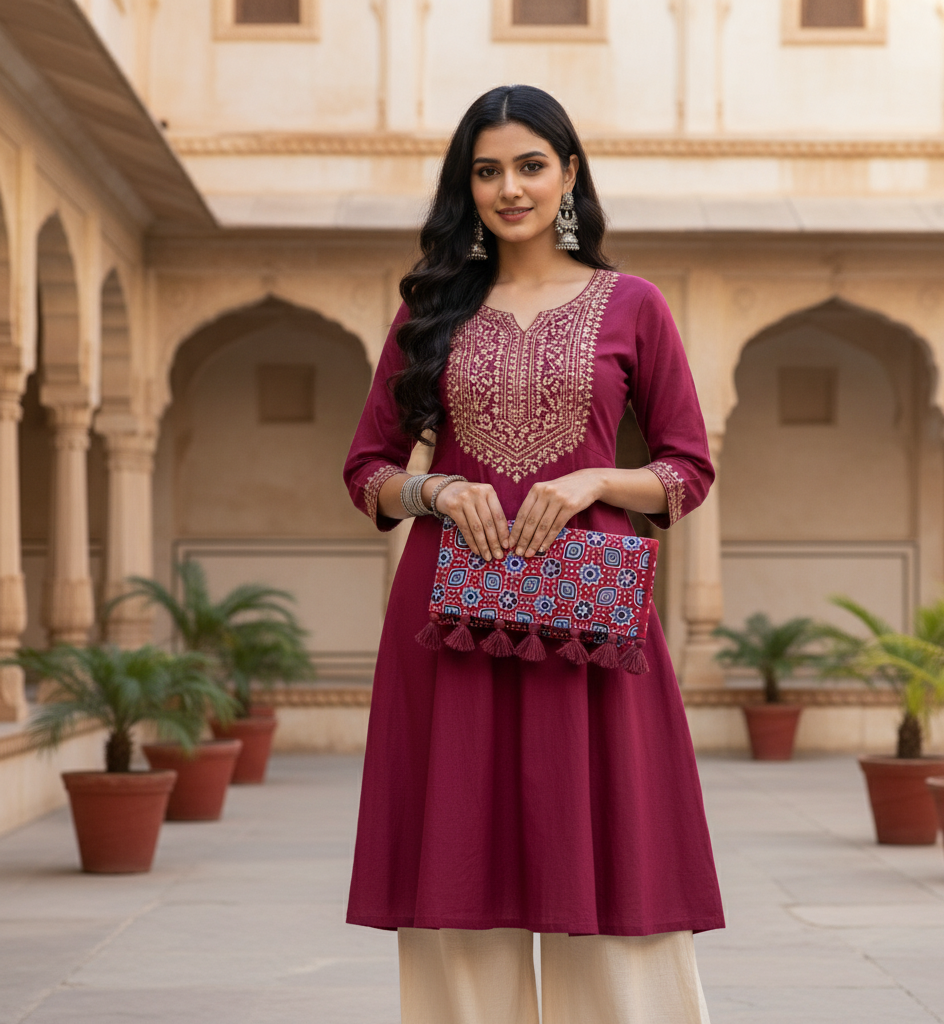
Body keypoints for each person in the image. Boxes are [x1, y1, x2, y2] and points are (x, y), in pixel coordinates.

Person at [343, 84, 724, 1024]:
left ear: (568, 174)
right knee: (460, 855)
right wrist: (437, 489)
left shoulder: (632, 304)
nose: (508, 188)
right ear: (465, 186)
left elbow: (688, 467)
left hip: (591, 616)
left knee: (607, 851)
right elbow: (366, 470)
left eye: (529, 165)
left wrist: (596, 482)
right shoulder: (429, 307)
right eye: (486, 170)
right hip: (450, 610)